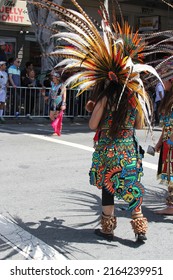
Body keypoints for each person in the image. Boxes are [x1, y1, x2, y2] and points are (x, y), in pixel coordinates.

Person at [154, 79, 173, 215]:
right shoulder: (168, 100)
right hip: (168, 142)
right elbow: (166, 126)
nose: (162, 83)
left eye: (165, 80)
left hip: (171, 144)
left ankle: (171, 206)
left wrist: (170, 142)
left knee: (171, 174)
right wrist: (160, 142)